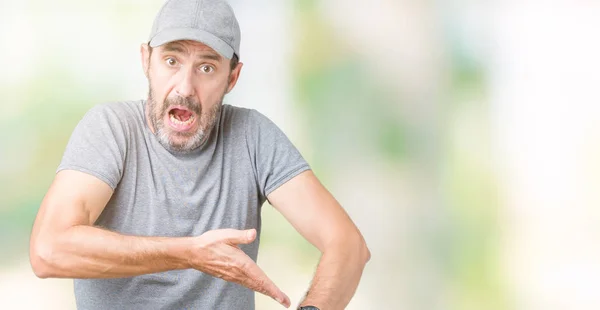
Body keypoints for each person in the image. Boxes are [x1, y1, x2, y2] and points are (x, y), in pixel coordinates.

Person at [29, 0, 370, 309]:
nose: (185, 87)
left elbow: (348, 245)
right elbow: (49, 251)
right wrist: (189, 254)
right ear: (146, 60)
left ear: (232, 77)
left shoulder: (253, 136)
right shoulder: (110, 129)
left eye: (206, 68)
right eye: (171, 61)